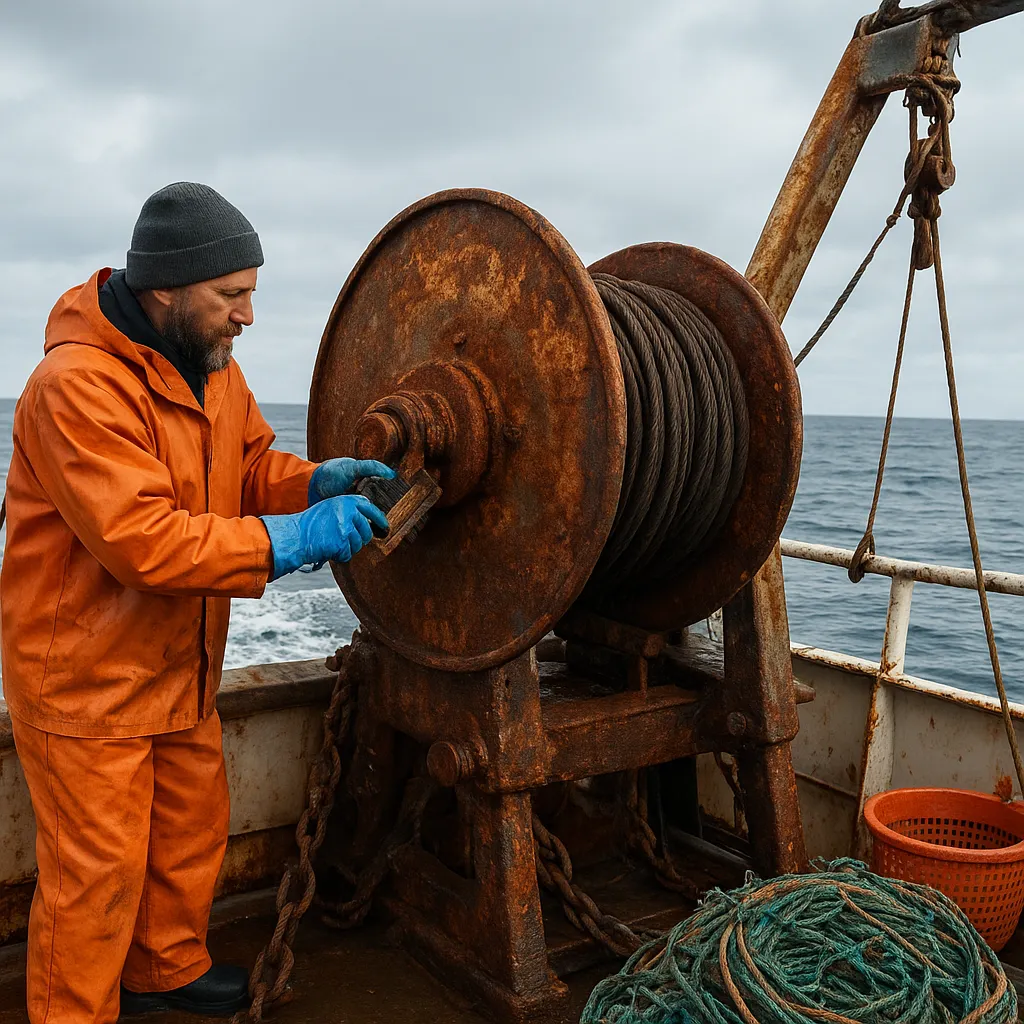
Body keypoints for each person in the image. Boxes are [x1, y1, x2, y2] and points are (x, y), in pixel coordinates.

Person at [0, 182, 392, 1023]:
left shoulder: (216, 372)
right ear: (168, 288)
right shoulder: (74, 387)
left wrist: (314, 480)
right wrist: (288, 541)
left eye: (252, 292)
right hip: (85, 682)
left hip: (179, 663)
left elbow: (252, 469)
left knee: (188, 833)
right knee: (94, 877)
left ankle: (163, 968)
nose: (248, 315)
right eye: (232, 295)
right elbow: (141, 541)